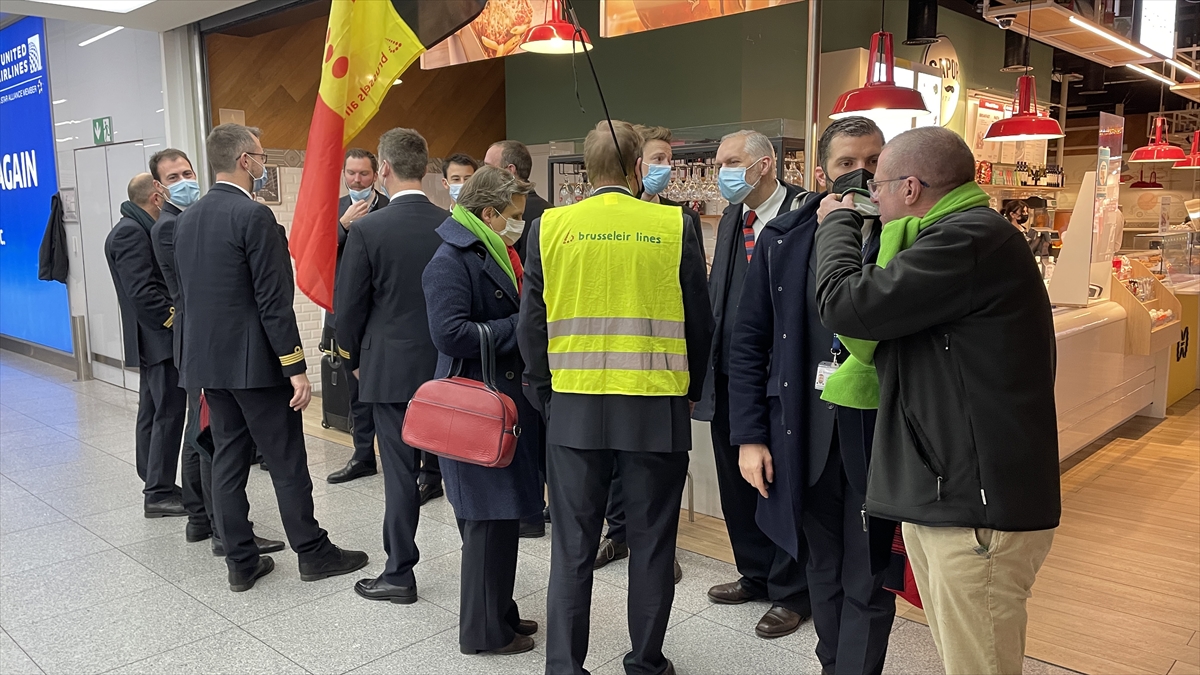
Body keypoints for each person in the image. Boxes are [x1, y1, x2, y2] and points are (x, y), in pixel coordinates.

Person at [814, 126, 1060, 675]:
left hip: (975, 508)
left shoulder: (968, 240)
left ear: (910, 187)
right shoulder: (951, 239)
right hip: (950, 496)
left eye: (877, 184)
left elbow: (847, 305)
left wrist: (835, 227)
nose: (869, 196)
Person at [519, 119, 713, 675]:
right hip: (656, 406)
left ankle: (564, 666)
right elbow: (700, 322)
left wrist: (546, 394)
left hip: (574, 408)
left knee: (572, 547)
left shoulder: (549, 227)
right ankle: (646, 662)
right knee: (652, 545)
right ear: (638, 168)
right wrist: (691, 391)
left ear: (585, 169)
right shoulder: (674, 224)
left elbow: (532, 326)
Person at [730, 117, 897, 675]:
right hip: (803, 431)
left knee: (869, 573)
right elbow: (749, 342)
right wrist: (750, 436)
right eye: (847, 163)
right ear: (822, 172)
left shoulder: (908, 237)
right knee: (822, 566)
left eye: (873, 162)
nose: (861, 174)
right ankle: (832, 663)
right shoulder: (784, 239)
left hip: (879, 434)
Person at [174, 123, 368, 592]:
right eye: (260, 156)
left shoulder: (186, 219)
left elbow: (187, 295)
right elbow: (273, 302)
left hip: (208, 364)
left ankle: (240, 561)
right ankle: (313, 552)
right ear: (245, 160)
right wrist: (295, 367)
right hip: (257, 365)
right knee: (286, 460)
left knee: (227, 458)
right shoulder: (254, 216)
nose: (263, 163)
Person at [692, 129, 811, 639]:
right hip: (729, 376)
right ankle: (754, 572)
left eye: (731, 162)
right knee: (736, 483)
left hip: (780, 377)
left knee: (777, 484)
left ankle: (792, 591)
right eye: (719, 163)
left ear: (764, 165)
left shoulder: (802, 217)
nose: (722, 172)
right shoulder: (733, 220)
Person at [422, 166, 543, 656]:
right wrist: (520, 324)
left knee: (502, 518)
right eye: (514, 214)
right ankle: (483, 634)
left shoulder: (494, 249)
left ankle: (501, 612)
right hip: (475, 411)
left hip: (501, 405)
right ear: (489, 213)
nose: (519, 224)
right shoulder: (450, 260)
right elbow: (449, 334)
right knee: (485, 523)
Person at [149, 148, 283, 557]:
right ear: (158, 187)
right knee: (206, 438)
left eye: (187, 172)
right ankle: (215, 526)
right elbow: (191, 295)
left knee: (204, 434)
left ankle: (205, 521)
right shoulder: (171, 226)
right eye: (173, 178)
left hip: (203, 344)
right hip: (204, 345)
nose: (185, 182)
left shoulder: (188, 218)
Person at [336, 127, 447, 605]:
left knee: (400, 476)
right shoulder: (452, 224)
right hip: (447, 371)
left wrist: (353, 360)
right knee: (460, 476)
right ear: (425, 167)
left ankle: (400, 573)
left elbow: (348, 310)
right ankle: (486, 583)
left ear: (383, 168)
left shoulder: (366, 230)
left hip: (390, 372)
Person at [594, 124, 690, 584]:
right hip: (598, 369)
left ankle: (655, 547)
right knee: (613, 470)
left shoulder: (676, 219)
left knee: (651, 479)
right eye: (656, 159)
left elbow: (692, 305)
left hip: (656, 373)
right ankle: (619, 534)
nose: (663, 168)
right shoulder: (595, 219)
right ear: (636, 165)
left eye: (669, 160)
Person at [103, 173, 186, 519]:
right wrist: (176, 320)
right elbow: (142, 293)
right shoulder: (131, 232)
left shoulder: (135, 227)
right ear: (155, 196)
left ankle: (155, 480)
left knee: (153, 412)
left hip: (154, 340)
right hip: (158, 340)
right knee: (167, 414)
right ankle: (158, 493)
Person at [486, 139, 554, 537]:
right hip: (540, 348)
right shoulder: (555, 214)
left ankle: (532, 512)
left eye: (489, 165)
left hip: (528, 349)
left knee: (530, 436)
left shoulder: (536, 221)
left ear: (509, 172)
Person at [325, 149, 390, 486]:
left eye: (364, 174)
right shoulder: (333, 209)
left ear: (376, 175)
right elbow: (318, 255)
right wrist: (342, 226)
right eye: (351, 173)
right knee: (356, 391)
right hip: (346, 314)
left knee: (390, 390)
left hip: (382, 314)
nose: (357, 180)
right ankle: (363, 455)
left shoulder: (390, 208)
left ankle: (403, 457)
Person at [484, 140, 552, 262]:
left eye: (488, 167)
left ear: (510, 170)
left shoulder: (499, 214)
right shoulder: (550, 211)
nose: (483, 174)